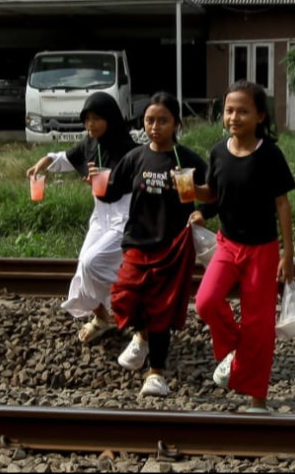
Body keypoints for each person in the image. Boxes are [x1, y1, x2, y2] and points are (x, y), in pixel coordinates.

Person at [100, 93, 213, 397]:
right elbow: (112, 190)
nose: (154, 126)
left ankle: (156, 373)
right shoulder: (136, 157)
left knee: (160, 310)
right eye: (149, 120)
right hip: (138, 240)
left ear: (176, 123)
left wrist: (202, 211)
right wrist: (96, 184)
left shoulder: (186, 159)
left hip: (173, 243)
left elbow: (214, 192)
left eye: (162, 120)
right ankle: (140, 337)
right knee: (125, 296)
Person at [193, 80, 295, 413]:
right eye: (228, 110)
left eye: (243, 111)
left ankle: (257, 399)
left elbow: (282, 204)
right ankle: (238, 352)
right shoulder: (218, 150)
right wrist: (193, 195)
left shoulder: (269, 154)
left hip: (262, 250)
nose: (234, 117)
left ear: (260, 116)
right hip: (228, 244)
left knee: (260, 325)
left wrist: (287, 255)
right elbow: (214, 192)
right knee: (206, 302)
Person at [26, 91, 136, 343]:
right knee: (83, 267)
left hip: (124, 216)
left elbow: (138, 175)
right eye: (86, 119)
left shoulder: (129, 150)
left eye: (97, 118)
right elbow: (67, 157)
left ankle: (132, 302)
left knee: (92, 263)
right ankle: (102, 317)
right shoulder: (90, 144)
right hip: (100, 216)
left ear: (110, 118)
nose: (91, 125)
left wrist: (105, 181)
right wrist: (45, 161)